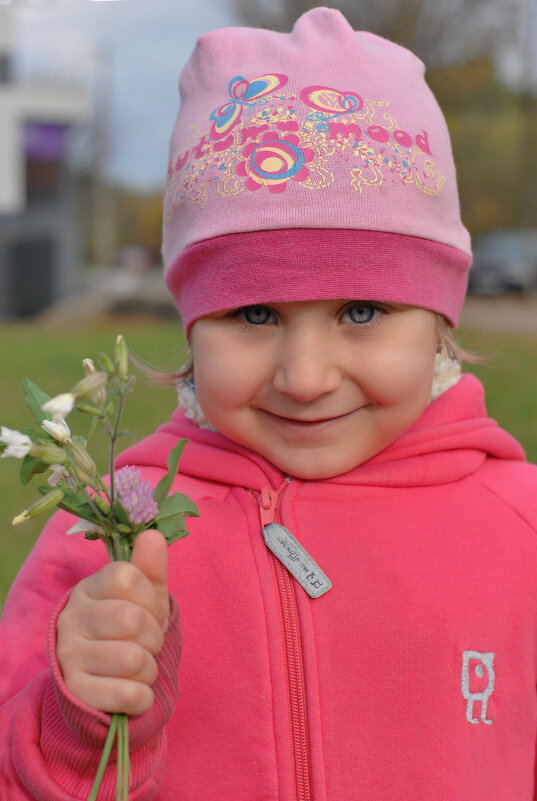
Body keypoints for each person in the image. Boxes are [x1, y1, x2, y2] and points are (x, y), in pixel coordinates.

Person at [1, 7, 537, 799]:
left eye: (361, 312)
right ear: (191, 325)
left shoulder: (517, 526)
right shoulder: (108, 532)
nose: (306, 375)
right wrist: (76, 726)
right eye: (255, 315)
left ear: (440, 321)